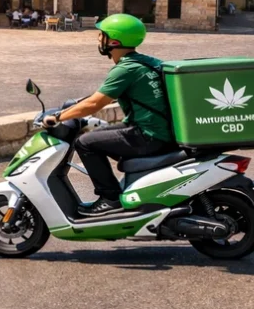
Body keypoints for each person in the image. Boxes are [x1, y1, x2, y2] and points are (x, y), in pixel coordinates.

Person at [42, 14, 175, 217]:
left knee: (86, 143)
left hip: (149, 135)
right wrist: (77, 105)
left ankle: (110, 198)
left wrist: (58, 117)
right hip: (157, 130)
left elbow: (96, 103)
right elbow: (107, 95)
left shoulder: (125, 69)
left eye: (101, 35)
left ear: (113, 41)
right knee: (102, 135)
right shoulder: (145, 62)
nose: (98, 39)